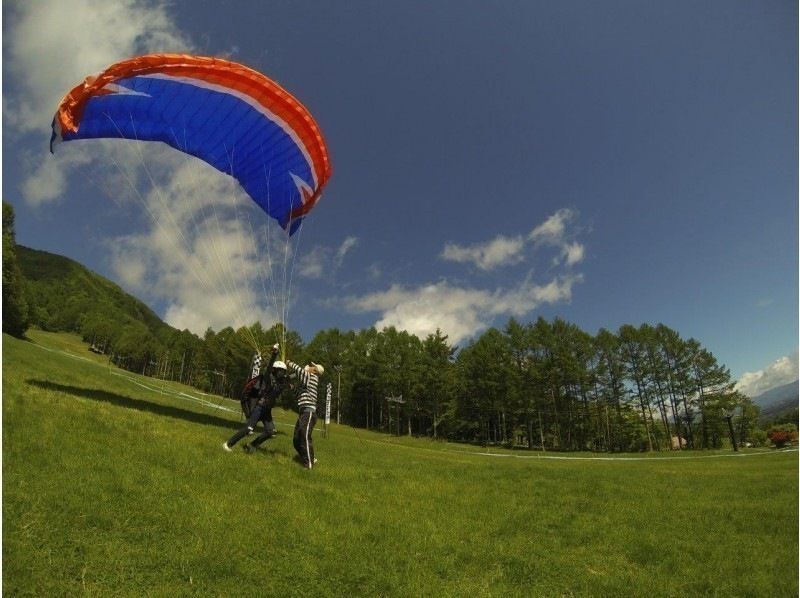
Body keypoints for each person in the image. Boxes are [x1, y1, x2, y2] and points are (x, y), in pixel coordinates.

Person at [223, 344, 288, 452]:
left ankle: (252, 445)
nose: (282, 373)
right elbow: (269, 366)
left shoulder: (279, 383)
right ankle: (228, 444)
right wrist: (274, 354)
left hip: (267, 411)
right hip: (259, 407)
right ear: (275, 370)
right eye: (280, 370)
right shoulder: (268, 378)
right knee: (248, 428)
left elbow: (289, 378)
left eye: (283, 371)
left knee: (270, 431)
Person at [286, 359, 324, 468]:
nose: (309, 366)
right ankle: (310, 457)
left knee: (304, 435)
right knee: (296, 439)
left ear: (315, 371)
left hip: (309, 412)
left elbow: (300, 371)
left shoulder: (311, 377)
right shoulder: (306, 382)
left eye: (312, 366)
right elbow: (299, 394)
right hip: (303, 413)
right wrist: (290, 386)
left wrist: (289, 362)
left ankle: (309, 463)